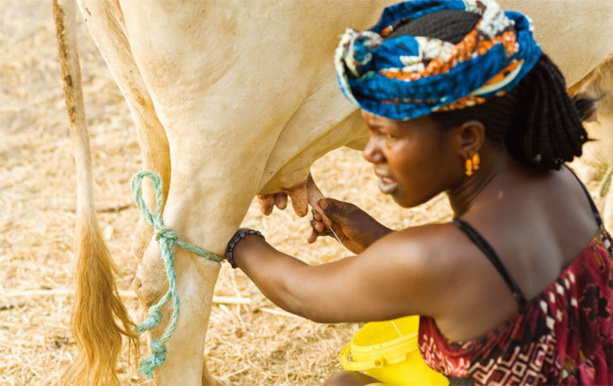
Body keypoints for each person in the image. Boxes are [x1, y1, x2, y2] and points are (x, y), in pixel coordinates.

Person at [224, 0, 613, 384]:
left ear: (467, 138)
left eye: (389, 135)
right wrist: (377, 239)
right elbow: (479, 278)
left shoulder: (437, 259)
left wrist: (235, 238)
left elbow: (301, 294)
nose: (372, 153)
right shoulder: (556, 178)